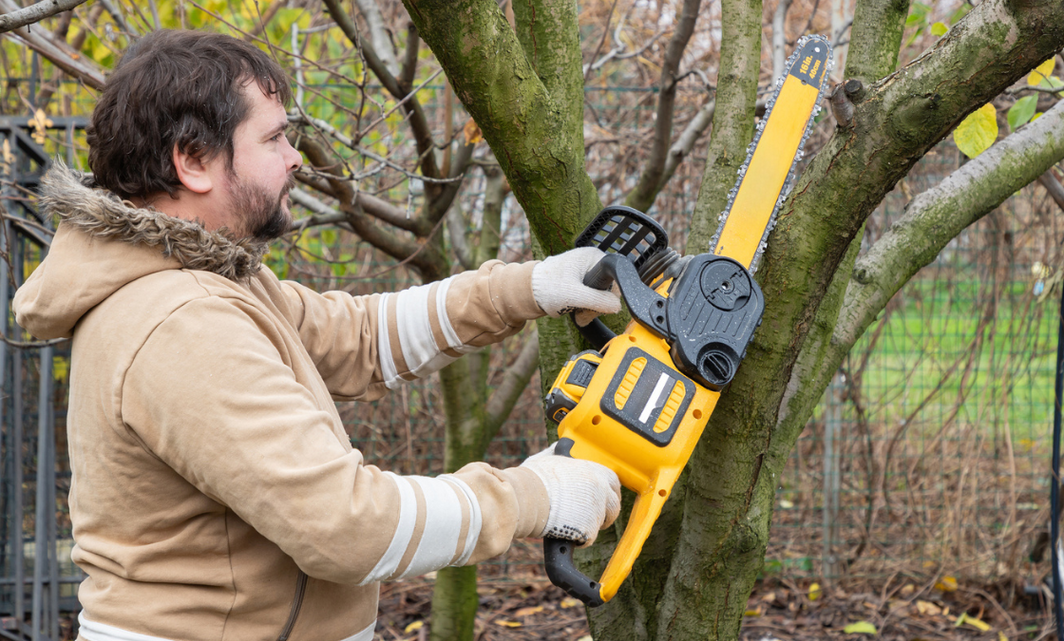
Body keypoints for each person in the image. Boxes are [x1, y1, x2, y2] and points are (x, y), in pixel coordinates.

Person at [13, 29, 622, 641]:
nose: (295, 156)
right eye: (274, 137)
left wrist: (529, 288)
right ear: (193, 161)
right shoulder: (180, 321)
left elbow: (356, 337)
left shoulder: (206, 278)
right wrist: (533, 496)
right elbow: (350, 528)